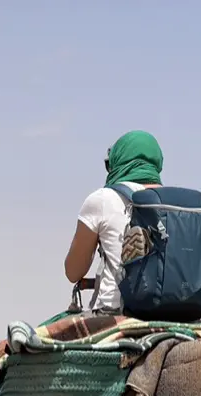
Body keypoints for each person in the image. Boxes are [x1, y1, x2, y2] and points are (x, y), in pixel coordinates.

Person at [64, 130, 164, 315]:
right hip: (178, 313)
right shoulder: (176, 205)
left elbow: (73, 271)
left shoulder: (102, 199)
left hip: (114, 311)